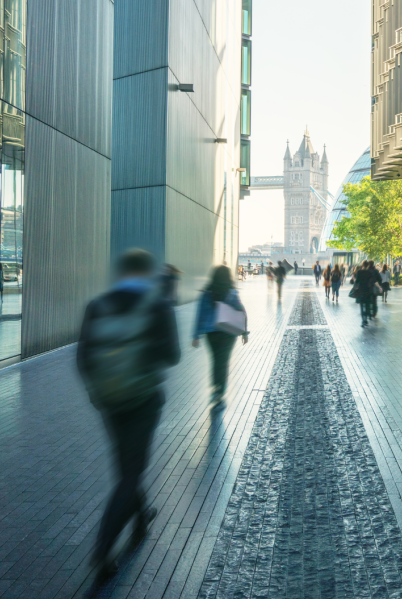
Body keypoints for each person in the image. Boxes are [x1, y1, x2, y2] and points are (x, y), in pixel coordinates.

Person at [76, 249, 180, 584]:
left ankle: (141, 519)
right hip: (143, 399)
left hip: (110, 401)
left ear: (121, 272)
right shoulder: (158, 305)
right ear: (147, 273)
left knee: (127, 468)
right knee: (131, 472)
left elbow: (83, 358)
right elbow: (173, 355)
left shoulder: (97, 305)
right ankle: (103, 548)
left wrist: (98, 393)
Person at [193, 265, 248, 404]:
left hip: (212, 332)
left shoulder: (207, 293)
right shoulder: (232, 292)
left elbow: (200, 314)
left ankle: (215, 388)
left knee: (215, 360)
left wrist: (196, 335)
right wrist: (244, 332)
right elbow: (241, 311)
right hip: (228, 332)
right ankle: (220, 391)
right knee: (224, 361)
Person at [351, 260, 378, 327]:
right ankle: (366, 317)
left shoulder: (359, 272)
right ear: (367, 265)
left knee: (362, 305)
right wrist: (379, 287)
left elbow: (357, 281)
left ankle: (363, 320)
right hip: (368, 291)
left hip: (361, 291)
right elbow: (374, 281)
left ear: (362, 265)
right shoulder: (369, 272)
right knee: (367, 305)